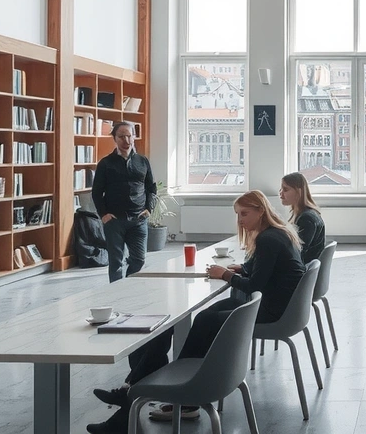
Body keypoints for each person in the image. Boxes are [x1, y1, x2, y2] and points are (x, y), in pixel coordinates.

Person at [88, 191, 306, 433]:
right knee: (200, 318)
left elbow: (254, 285)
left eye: (245, 214)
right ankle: (148, 393)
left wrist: (226, 275)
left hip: (271, 311)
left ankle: (172, 395)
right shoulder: (278, 233)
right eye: (238, 214)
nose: (240, 220)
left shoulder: (268, 240)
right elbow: (265, 272)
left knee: (195, 322)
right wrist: (242, 269)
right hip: (278, 305)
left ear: (261, 211)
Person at [91, 121, 156, 282]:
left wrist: (149, 208)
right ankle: (116, 294)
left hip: (139, 220)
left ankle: (127, 285)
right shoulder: (105, 164)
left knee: (139, 260)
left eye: (129, 136)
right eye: (121, 137)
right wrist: (104, 215)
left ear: (134, 137)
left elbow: (151, 188)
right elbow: (97, 192)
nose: (126, 141)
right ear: (114, 138)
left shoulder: (143, 161)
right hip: (114, 221)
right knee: (116, 262)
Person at [279, 171, 326, 262]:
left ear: (298, 192)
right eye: (280, 189)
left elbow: (298, 251)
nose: (281, 194)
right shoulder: (304, 213)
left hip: (302, 268)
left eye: (285, 189)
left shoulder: (306, 219)